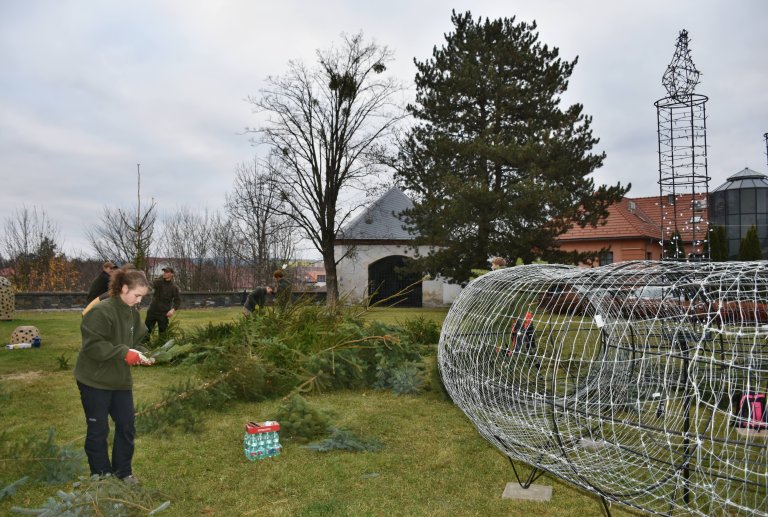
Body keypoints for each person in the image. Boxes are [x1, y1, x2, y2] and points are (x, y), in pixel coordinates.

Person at [75, 269, 153, 483]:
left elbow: (136, 340)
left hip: (120, 381)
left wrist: (141, 353)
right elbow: (93, 346)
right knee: (98, 429)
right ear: (124, 288)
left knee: (126, 426)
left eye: (142, 298)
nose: (139, 301)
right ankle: (101, 476)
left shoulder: (132, 313)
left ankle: (123, 472)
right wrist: (123, 353)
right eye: (137, 295)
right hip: (94, 380)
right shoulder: (101, 312)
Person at [145, 267, 181, 339]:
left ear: (171, 274)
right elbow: (150, 284)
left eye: (167, 272)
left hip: (163, 313)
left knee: (163, 334)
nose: (164, 273)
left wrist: (172, 310)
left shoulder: (174, 287)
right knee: (146, 332)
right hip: (152, 311)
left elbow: (177, 301)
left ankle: (161, 348)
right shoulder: (158, 282)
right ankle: (143, 348)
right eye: (164, 272)